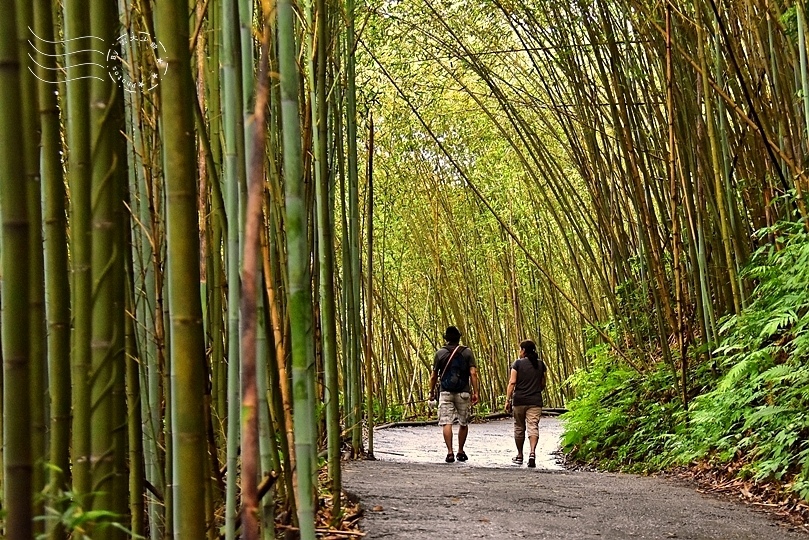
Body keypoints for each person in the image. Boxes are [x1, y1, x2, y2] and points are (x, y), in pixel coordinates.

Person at [428, 326, 479, 463]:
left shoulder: (440, 353)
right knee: (463, 422)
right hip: (463, 391)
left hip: (445, 391)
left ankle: (449, 452)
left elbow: (433, 376)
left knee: (446, 422)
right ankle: (460, 451)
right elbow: (473, 373)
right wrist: (476, 391)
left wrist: (431, 393)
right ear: (459, 338)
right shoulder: (467, 352)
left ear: (446, 339)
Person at [505, 339, 546, 468]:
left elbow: (512, 382)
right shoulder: (541, 365)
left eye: (520, 349)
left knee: (519, 427)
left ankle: (520, 454)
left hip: (519, 401)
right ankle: (532, 453)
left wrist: (507, 400)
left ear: (523, 351)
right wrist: (535, 390)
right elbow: (543, 384)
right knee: (533, 426)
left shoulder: (517, 364)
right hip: (535, 401)